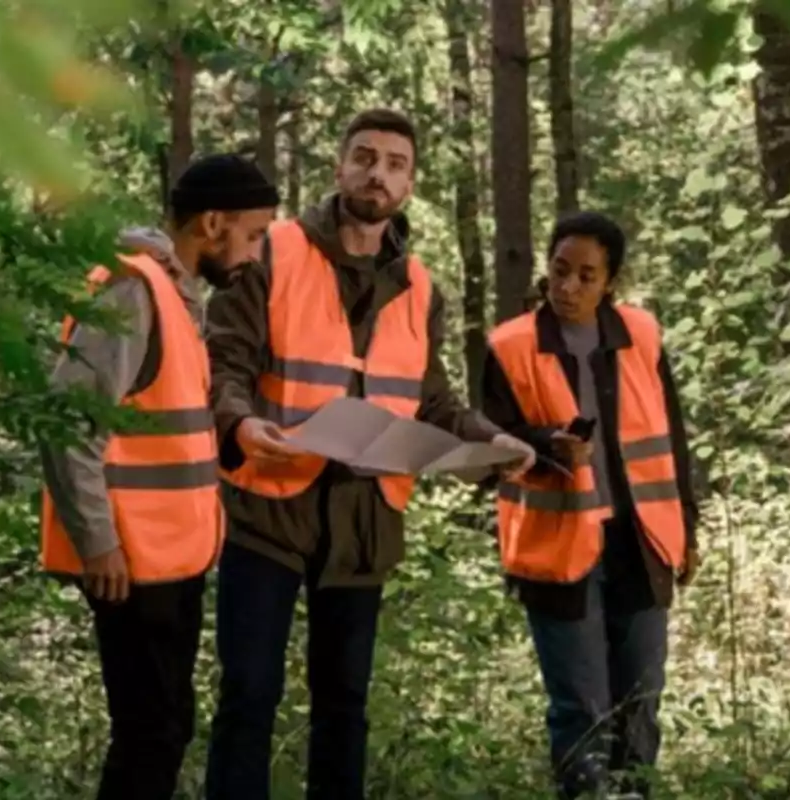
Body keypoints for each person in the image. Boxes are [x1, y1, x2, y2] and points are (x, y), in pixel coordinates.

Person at [203, 107, 535, 799]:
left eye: (393, 163)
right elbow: (225, 365)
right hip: (269, 509)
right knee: (248, 699)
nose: (376, 173)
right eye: (364, 156)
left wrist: (490, 440)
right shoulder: (274, 251)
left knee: (344, 707)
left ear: (409, 184)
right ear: (339, 165)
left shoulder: (420, 288)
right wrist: (238, 426)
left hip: (365, 522)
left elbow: (432, 398)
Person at [38, 153, 280, 800]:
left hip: (168, 559)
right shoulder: (132, 289)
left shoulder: (173, 294)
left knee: (166, 727)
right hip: (129, 561)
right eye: (252, 234)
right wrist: (98, 543)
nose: (256, 253)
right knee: (151, 732)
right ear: (211, 223)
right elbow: (66, 423)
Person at [481, 211, 702, 799]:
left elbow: (673, 441)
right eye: (559, 271)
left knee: (640, 703)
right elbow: (483, 451)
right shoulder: (509, 346)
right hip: (557, 553)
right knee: (580, 709)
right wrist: (542, 445)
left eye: (586, 276)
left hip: (642, 542)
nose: (569, 287)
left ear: (611, 282)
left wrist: (689, 530)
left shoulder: (641, 335)